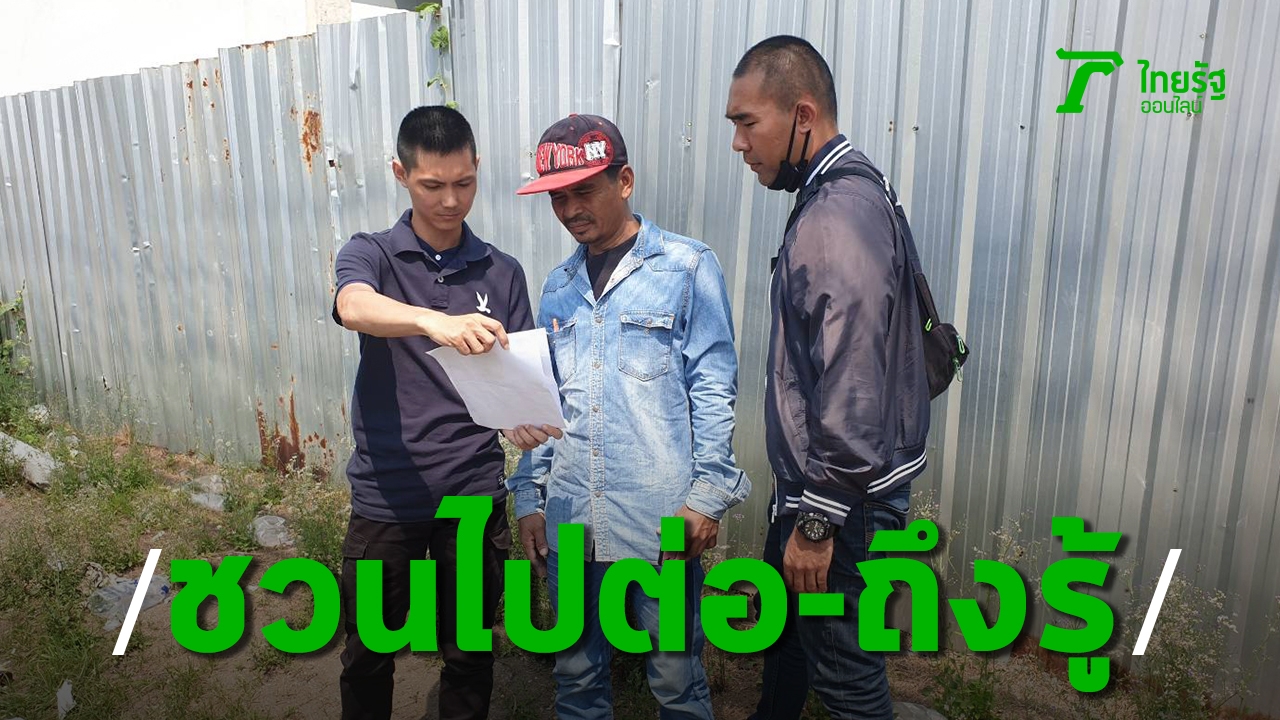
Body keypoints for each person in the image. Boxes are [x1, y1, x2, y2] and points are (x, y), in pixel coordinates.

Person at [504, 113, 750, 720]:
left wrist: (707, 497)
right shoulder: (558, 287)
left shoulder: (686, 269)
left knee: (676, 679)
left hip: (657, 522)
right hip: (571, 521)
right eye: (558, 198)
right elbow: (547, 402)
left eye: (584, 191)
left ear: (625, 180)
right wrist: (530, 496)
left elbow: (714, 388)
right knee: (576, 677)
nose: (570, 210)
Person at [725, 36, 932, 720]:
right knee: (786, 634)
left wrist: (818, 520)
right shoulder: (840, 194)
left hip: (844, 500)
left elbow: (853, 376)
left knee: (846, 679)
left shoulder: (837, 214)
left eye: (747, 123)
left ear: (803, 115)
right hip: (826, 486)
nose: (739, 144)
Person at [330, 105, 541, 720]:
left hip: (471, 492)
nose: (451, 200)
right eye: (432, 185)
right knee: (370, 650)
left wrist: (521, 421)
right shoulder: (372, 254)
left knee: (469, 648)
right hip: (387, 494)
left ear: (478, 168)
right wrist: (432, 321)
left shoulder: (502, 271)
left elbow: (513, 378)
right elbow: (352, 305)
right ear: (401, 173)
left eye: (464, 182)